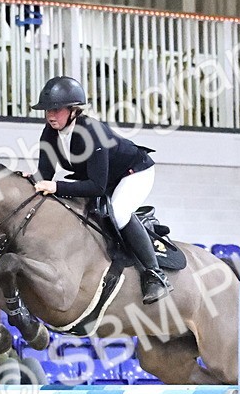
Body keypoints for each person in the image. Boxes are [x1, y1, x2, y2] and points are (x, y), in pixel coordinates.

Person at [30, 75, 172, 305]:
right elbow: (44, 175)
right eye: (47, 110)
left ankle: (155, 274)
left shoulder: (92, 132)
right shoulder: (49, 133)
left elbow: (96, 187)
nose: (50, 115)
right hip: (105, 178)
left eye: (56, 109)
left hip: (134, 173)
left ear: (73, 110)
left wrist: (55, 186)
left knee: (119, 213)